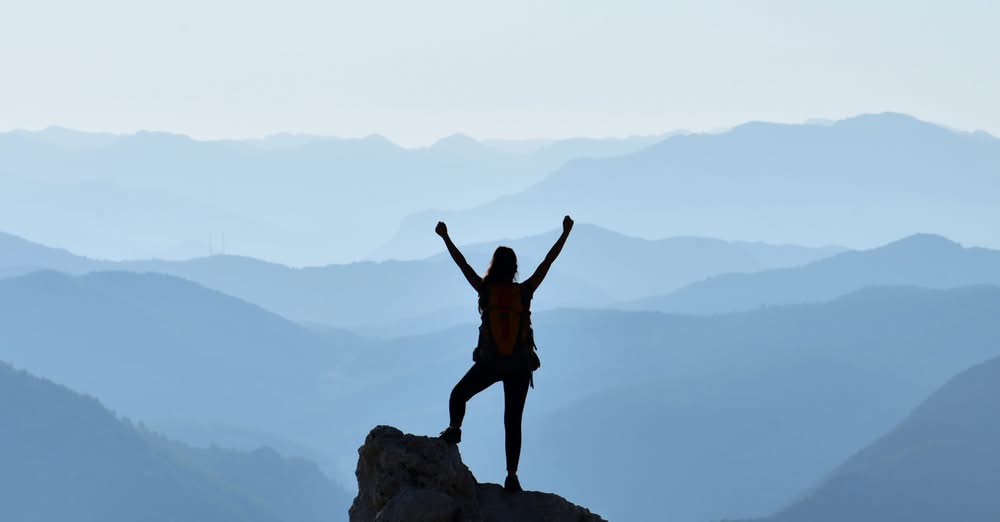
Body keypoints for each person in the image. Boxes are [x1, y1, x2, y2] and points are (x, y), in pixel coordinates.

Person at [436, 216, 574, 493]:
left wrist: (445, 237)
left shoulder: (485, 290)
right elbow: (548, 261)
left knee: (458, 394)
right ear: (513, 269)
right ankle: (512, 476)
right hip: (520, 366)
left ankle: (455, 428)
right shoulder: (524, 291)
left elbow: (461, 263)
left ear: (493, 265)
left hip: (490, 362)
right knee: (512, 421)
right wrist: (565, 233)